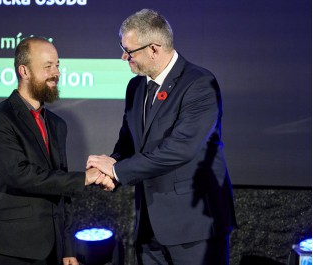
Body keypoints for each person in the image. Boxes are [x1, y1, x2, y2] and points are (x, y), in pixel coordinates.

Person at [87, 9, 236, 265]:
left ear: (154, 49)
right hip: (149, 227)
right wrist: (111, 167)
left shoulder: (199, 83)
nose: (124, 57)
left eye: (130, 51)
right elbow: (128, 143)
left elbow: (180, 148)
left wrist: (118, 171)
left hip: (194, 229)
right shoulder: (136, 87)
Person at [0, 36, 114, 265]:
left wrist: (67, 246)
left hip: (50, 251)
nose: (56, 73)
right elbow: (19, 174)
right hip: (6, 249)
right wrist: (83, 178)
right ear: (24, 71)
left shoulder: (57, 125)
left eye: (57, 65)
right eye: (47, 66)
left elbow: (60, 194)